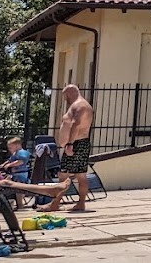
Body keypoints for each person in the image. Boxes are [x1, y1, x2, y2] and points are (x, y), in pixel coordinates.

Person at [43, 84, 94, 213]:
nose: (65, 99)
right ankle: (79, 203)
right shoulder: (79, 104)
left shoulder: (80, 105)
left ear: (70, 93)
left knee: (64, 175)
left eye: (65, 96)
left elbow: (75, 125)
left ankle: (56, 203)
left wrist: (70, 144)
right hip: (78, 144)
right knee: (79, 175)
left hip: (76, 144)